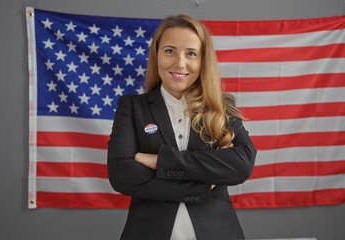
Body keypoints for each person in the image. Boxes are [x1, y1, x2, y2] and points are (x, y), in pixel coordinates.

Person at [107, 14, 257, 240]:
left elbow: (242, 163)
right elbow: (122, 174)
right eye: (169, 51)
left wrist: (161, 161)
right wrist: (202, 186)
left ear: (203, 60)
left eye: (191, 54)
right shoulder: (131, 106)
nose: (180, 63)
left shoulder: (222, 106)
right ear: (156, 55)